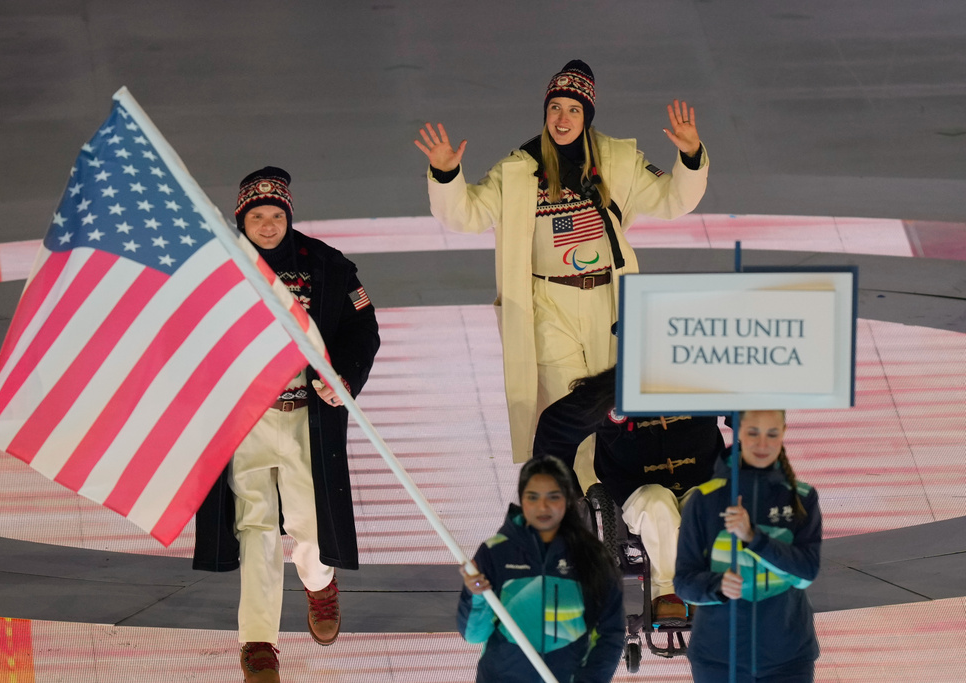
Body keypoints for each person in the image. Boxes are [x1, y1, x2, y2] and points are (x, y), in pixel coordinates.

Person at [415, 59, 709, 492]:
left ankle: (621, 508)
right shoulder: (519, 170)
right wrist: (446, 174)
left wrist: (690, 156)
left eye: (573, 109)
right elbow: (467, 214)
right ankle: (590, 513)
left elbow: (672, 200)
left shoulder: (619, 159)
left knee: (617, 408)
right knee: (570, 408)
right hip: (551, 307)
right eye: (555, 108)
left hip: (611, 302)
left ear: (587, 115)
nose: (562, 118)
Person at [191, 167, 380, 683]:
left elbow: (363, 325)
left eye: (277, 215)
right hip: (245, 424)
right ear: (241, 219)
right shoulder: (216, 270)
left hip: (306, 419)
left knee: (310, 524)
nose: (268, 225)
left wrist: (344, 376)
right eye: (257, 216)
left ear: (289, 217)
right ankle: (258, 644)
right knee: (255, 529)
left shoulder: (327, 266)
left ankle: (320, 585)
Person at [533, 365, 724, 626]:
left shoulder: (703, 376)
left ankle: (703, 584)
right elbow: (555, 426)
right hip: (637, 489)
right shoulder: (612, 389)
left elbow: (754, 409)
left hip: (703, 480)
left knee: (703, 507)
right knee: (656, 503)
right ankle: (668, 592)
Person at [674, 410, 822, 683]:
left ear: (784, 433)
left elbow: (805, 573)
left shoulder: (802, 498)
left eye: (772, 434)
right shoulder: (704, 501)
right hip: (717, 659)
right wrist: (716, 586)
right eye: (753, 433)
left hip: (788, 659)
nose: (762, 444)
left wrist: (753, 538)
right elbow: (684, 583)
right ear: (738, 431)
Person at [458, 456, 625, 683]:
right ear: (522, 500)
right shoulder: (495, 553)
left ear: (567, 499)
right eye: (532, 497)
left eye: (553, 497)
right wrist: (475, 597)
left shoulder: (592, 557)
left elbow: (610, 634)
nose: (542, 507)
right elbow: (473, 635)